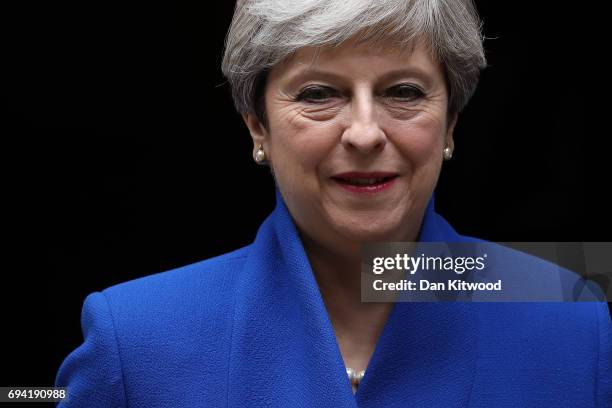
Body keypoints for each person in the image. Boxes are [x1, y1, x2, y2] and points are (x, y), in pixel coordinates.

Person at [55, 0, 611, 406]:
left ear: (451, 123)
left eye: (404, 92)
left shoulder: (570, 313)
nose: (365, 134)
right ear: (258, 127)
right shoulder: (135, 338)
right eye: (319, 94)